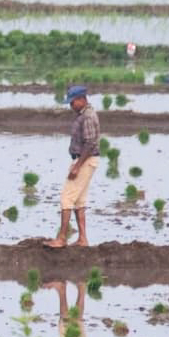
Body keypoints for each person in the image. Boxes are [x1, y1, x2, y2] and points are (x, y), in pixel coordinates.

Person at [47, 85, 101, 249]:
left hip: (85, 160)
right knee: (79, 201)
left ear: (82, 100)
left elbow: (90, 143)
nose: (71, 106)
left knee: (66, 198)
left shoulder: (88, 117)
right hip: (84, 160)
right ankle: (82, 239)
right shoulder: (83, 114)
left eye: (73, 102)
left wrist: (77, 166)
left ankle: (62, 238)